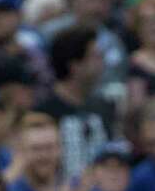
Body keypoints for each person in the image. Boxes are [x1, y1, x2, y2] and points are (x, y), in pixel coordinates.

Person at [38, 24, 114, 181]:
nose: (102, 63)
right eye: (95, 57)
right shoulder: (44, 113)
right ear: (75, 66)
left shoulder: (104, 107)